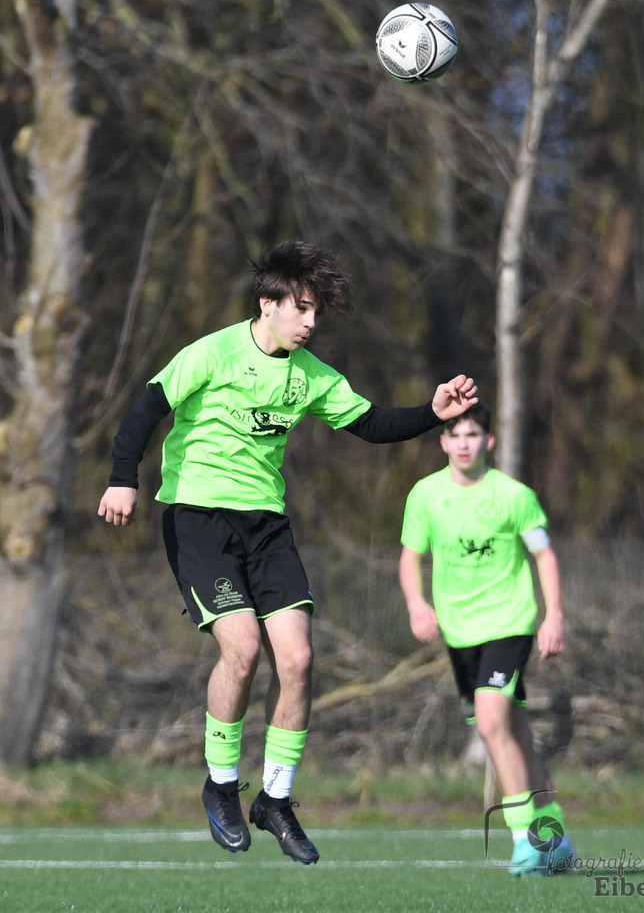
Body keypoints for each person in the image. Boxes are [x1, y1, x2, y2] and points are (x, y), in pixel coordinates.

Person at [98, 239, 478, 865]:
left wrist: (431, 414)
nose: (308, 323)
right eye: (300, 308)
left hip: (267, 528)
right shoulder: (213, 353)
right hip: (198, 519)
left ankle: (275, 800)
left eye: (316, 314)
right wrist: (122, 477)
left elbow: (370, 424)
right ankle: (221, 785)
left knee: (298, 659)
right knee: (243, 651)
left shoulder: (311, 376)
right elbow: (146, 410)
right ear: (266, 303)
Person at [398, 402, 576, 876]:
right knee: (514, 732)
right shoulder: (425, 495)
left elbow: (545, 557)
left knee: (493, 722)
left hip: (509, 624)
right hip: (460, 634)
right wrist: (417, 605)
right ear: (442, 443)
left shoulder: (513, 495)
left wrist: (553, 616)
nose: (463, 443)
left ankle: (526, 843)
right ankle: (555, 836)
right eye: (455, 436)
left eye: (473, 435)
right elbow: (410, 557)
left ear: (488, 442)